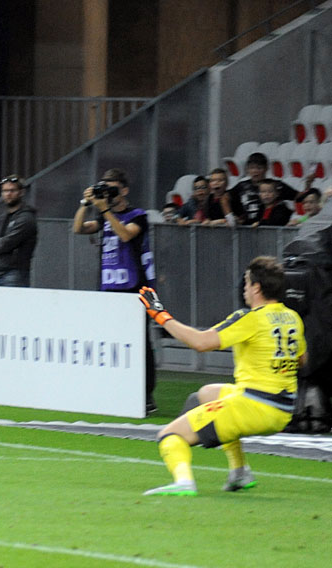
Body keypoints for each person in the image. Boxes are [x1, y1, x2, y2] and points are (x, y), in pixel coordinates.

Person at [138, 256, 305, 496]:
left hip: (257, 406)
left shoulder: (250, 318)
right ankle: (239, 472)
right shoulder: (292, 318)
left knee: (169, 435)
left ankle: (183, 482)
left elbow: (200, 342)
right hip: (283, 406)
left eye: (247, 282)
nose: (244, 288)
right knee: (206, 394)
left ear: (257, 287)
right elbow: (302, 359)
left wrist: (160, 315)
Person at [72, 168, 158, 413]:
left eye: (114, 189)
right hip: (109, 286)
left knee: (141, 341)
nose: (109, 193)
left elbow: (125, 235)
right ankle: (117, 390)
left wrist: (105, 210)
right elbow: (78, 229)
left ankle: (147, 395)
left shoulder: (138, 215)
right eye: (106, 188)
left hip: (135, 287)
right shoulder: (102, 215)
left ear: (124, 190)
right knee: (112, 340)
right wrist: (85, 203)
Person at [0, 174, 37, 286]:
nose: (8, 194)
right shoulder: (0, 218)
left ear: (21, 192)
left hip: (16, 274)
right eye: (5, 191)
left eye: (12, 190)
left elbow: (7, 243)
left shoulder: (26, 218)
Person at [228, 153, 298, 226]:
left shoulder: (277, 186)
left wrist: (301, 218)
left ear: (266, 168)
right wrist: (230, 216)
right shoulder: (242, 186)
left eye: (259, 168)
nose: (255, 171)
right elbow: (225, 197)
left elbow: (300, 197)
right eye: (252, 168)